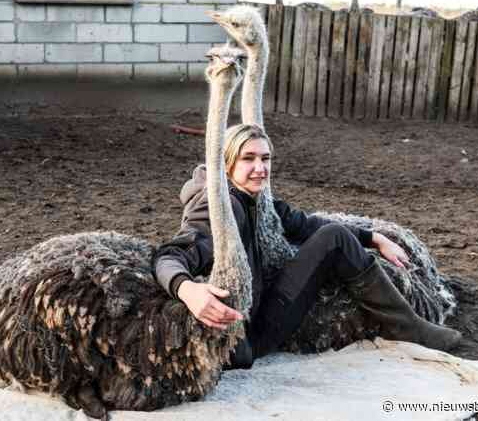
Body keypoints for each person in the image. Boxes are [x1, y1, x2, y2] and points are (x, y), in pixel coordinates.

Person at [153, 124, 461, 369]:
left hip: (261, 312)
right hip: (239, 337)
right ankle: (408, 328)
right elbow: (170, 255)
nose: (260, 168)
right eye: (248, 159)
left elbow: (304, 224)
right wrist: (188, 290)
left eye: (265, 158)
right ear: (226, 163)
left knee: (335, 236)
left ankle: (408, 327)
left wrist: (373, 238)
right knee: (335, 237)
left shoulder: (255, 199)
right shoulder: (220, 206)